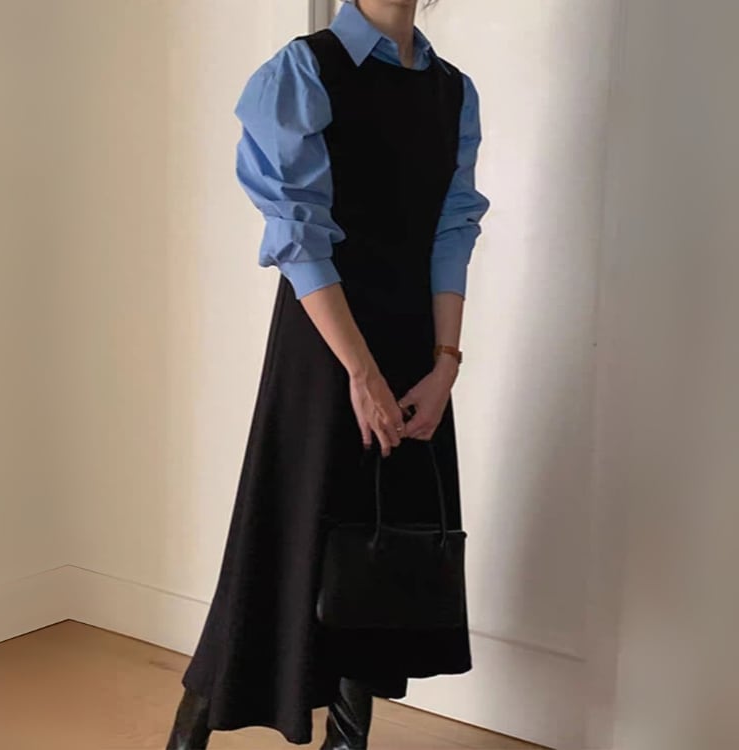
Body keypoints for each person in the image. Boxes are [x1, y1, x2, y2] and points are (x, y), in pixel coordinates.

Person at [165, 0, 490, 747]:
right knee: (283, 536)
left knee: (377, 552)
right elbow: (297, 231)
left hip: (413, 348)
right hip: (325, 343)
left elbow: (453, 228)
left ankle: (350, 740)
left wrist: (445, 364)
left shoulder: (454, 90)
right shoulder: (303, 69)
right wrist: (359, 371)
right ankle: (190, 733)